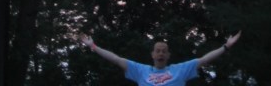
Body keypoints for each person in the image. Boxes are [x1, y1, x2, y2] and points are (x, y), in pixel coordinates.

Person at [79, 30, 242, 85]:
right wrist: (93, 46)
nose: (161, 53)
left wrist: (226, 46)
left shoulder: (180, 70)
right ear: (152, 54)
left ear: (169, 55)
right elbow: (115, 59)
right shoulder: (140, 70)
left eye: (164, 51)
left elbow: (205, 59)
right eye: (158, 50)